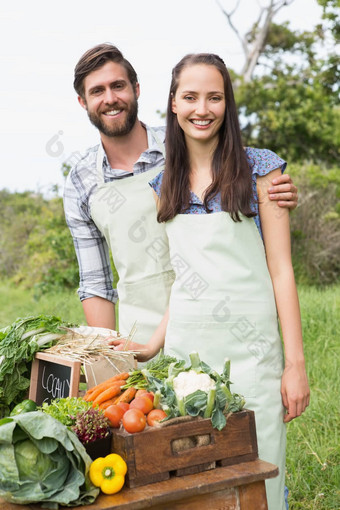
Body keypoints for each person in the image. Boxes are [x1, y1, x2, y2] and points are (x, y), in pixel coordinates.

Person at [112, 53, 310, 510]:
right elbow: (186, 279)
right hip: (188, 361)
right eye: (191, 97)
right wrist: (150, 347)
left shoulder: (261, 171)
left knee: (257, 476)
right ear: (174, 105)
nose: (203, 108)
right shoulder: (163, 184)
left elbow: (282, 271)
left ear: (228, 105)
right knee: (197, 483)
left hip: (254, 355)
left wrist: (294, 364)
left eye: (214, 97)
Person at [64, 43, 299, 346]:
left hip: (214, 322)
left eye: (118, 86)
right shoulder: (81, 182)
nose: (110, 99)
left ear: (136, 89)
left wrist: (275, 188)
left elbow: (239, 167)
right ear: (83, 102)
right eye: (97, 91)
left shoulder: (185, 139)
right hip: (139, 335)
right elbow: (96, 283)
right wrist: (109, 358)